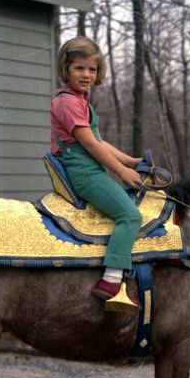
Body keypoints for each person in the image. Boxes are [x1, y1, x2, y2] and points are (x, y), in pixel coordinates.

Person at [50, 36, 143, 312]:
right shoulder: (68, 102)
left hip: (90, 167)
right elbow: (89, 144)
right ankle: (111, 280)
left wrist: (129, 160)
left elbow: (98, 140)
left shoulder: (79, 101)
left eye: (92, 69)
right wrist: (122, 171)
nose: (86, 75)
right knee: (130, 215)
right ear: (66, 69)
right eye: (79, 68)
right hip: (84, 172)